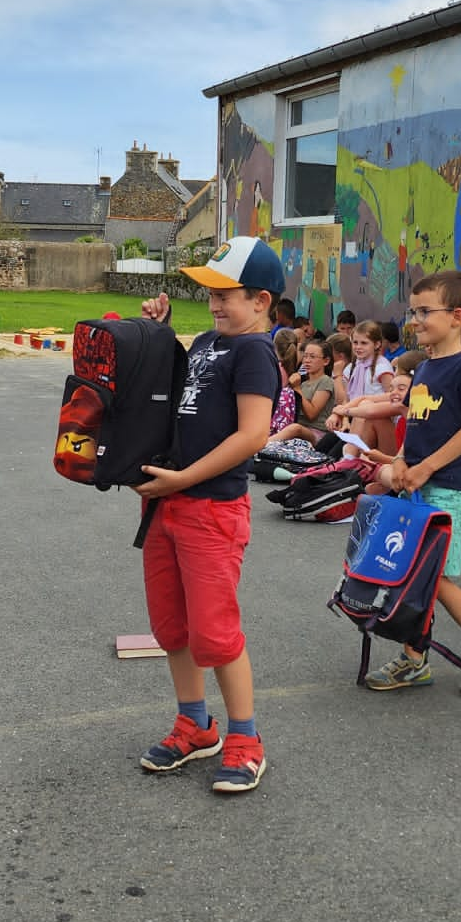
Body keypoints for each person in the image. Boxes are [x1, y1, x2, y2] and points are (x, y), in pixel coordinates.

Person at [135, 236, 284, 794]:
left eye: (228, 295)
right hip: (168, 504)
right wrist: (158, 326)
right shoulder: (205, 343)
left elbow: (253, 434)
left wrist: (184, 479)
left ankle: (245, 738)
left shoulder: (255, 352)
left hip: (211, 509)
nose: (216, 304)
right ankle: (195, 725)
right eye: (211, 294)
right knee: (172, 628)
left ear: (262, 300)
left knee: (215, 635)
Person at [361, 271, 461, 695]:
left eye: (425, 311)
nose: (415, 319)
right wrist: (403, 462)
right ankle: (415, 659)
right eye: (414, 311)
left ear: (457, 316)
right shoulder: (425, 367)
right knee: (414, 576)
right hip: (420, 485)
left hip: (449, 488)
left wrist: (427, 468)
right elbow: (417, 426)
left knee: (439, 579)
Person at [289, 337, 337, 428]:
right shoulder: (303, 383)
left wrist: (297, 389)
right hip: (298, 427)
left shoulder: (325, 381)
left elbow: (311, 414)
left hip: (316, 430)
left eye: (312, 357)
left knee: (294, 428)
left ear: (326, 361)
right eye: (305, 356)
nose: (307, 360)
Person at [340, 322, 385, 401]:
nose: (358, 347)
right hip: (352, 411)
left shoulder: (382, 367)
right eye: (355, 342)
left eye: (364, 343)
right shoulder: (350, 368)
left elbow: (392, 398)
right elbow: (346, 399)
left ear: (377, 344)